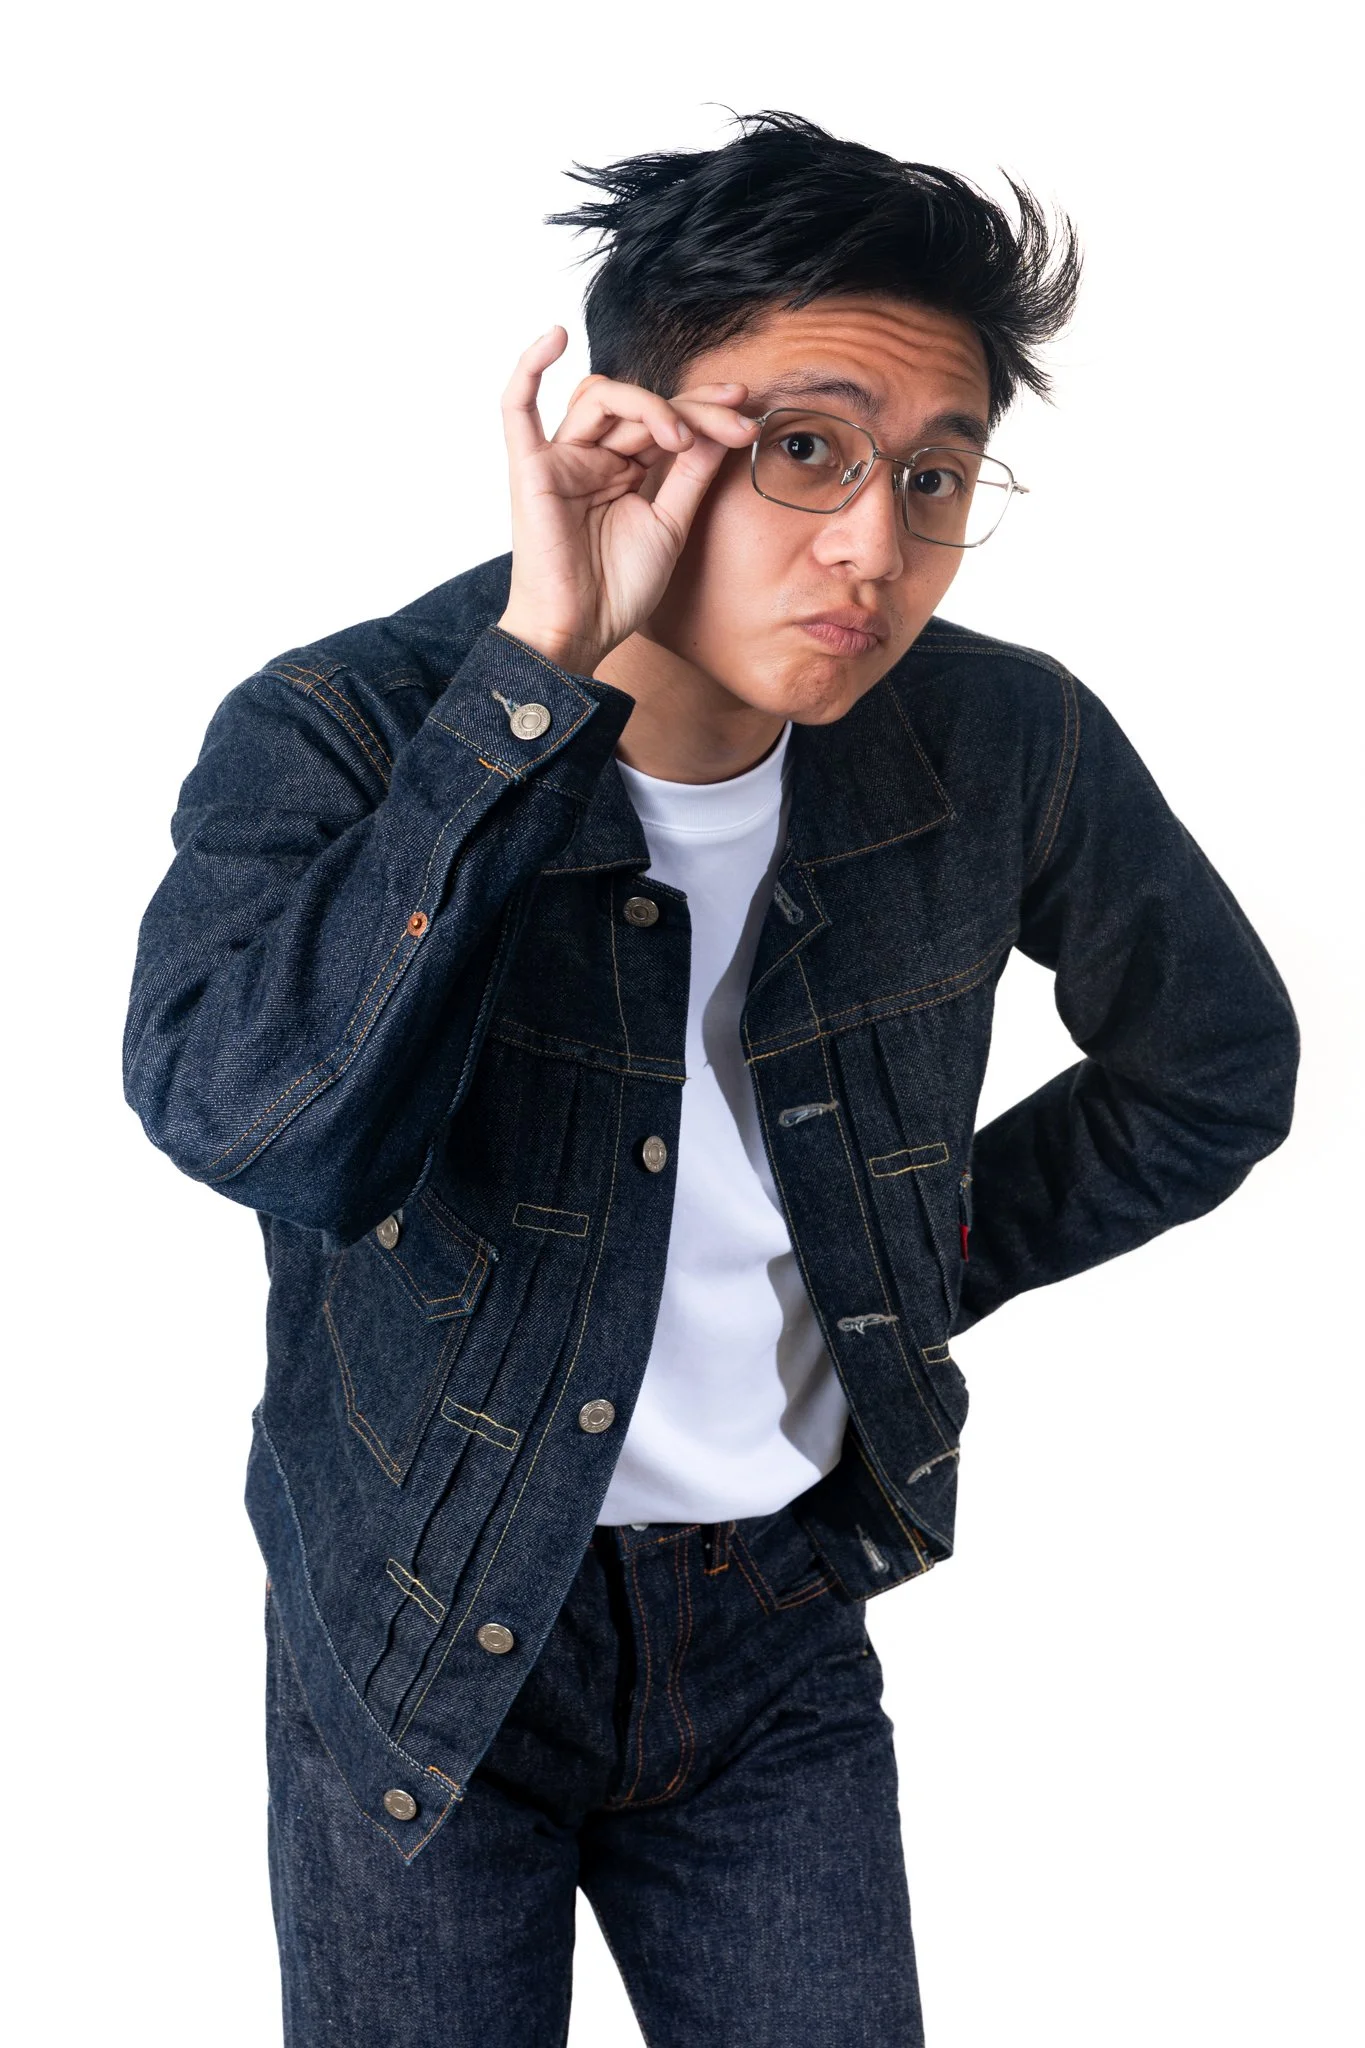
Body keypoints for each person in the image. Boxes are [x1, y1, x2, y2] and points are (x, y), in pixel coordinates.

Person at [122, 111, 1299, 2048]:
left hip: (770, 1626)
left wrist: (911, 1255)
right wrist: (532, 685)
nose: (872, 543)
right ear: (626, 434)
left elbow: (1209, 1066)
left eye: (935, 475)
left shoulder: (1003, 737)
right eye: (802, 447)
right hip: (417, 1617)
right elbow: (259, 1127)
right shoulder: (345, 720)